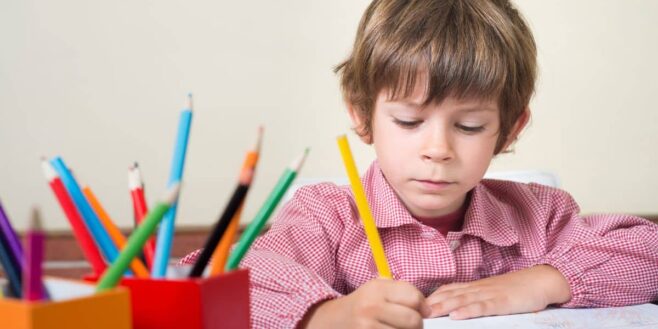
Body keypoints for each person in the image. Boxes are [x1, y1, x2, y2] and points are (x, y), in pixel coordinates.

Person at [181, 0, 658, 327]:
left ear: (510, 128)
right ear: (361, 114)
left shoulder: (540, 216)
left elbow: (649, 251)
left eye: (469, 127)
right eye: (409, 121)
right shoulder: (326, 216)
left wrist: (545, 280)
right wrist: (325, 317)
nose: (438, 149)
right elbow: (214, 285)